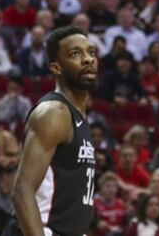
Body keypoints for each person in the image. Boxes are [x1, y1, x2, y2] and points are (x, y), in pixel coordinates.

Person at [8, 27, 99, 236]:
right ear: (56, 68)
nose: (87, 59)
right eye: (75, 54)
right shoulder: (54, 113)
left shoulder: (78, 117)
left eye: (91, 52)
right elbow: (22, 190)